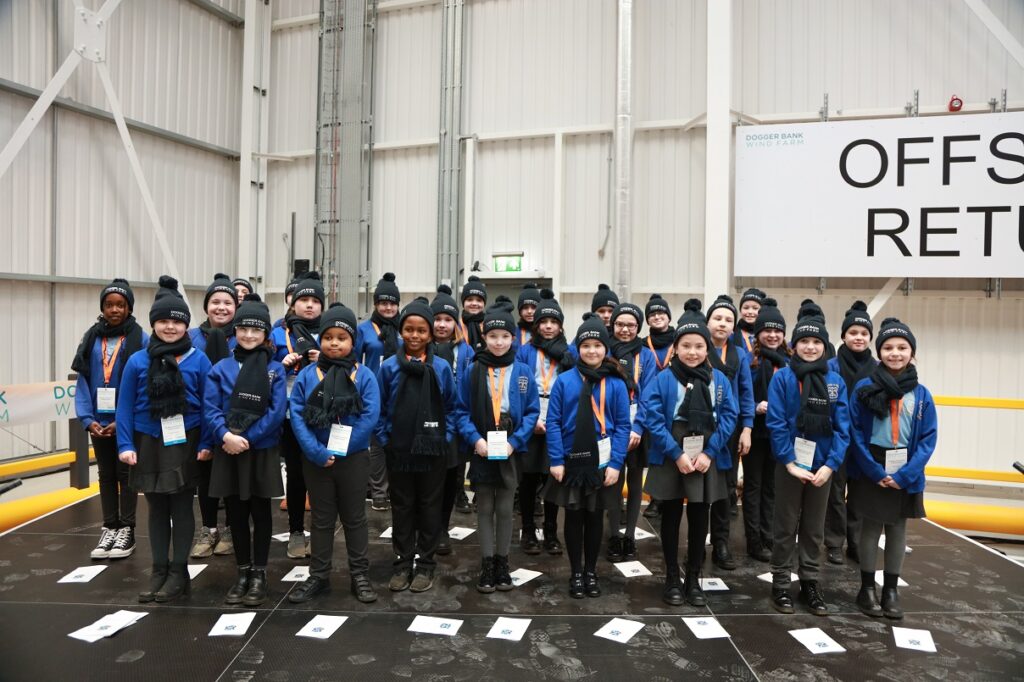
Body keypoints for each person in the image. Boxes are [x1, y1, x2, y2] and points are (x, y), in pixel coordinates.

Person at [117, 276, 212, 603]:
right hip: (148, 441)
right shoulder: (137, 361)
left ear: (186, 325)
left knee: (182, 506)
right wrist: (126, 445)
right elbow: (125, 406)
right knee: (156, 507)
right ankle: (159, 570)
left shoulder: (199, 359)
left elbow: (210, 403)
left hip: (186, 440)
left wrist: (206, 443)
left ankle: (178, 571)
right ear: (153, 323)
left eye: (176, 321)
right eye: (163, 321)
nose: (170, 327)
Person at [642, 301, 737, 606]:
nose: (693, 352)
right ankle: (672, 576)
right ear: (676, 348)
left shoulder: (719, 381)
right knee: (670, 516)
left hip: (706, 455)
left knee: (699, 517)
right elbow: (652, 417)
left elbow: (729, 417)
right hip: (672, 453)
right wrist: (675, 453)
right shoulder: (663, 379)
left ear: (707, 349)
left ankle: (693, 577)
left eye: (699, 346)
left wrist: (710, 452)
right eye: (686, 346)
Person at [288, 303, 382, 605]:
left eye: (341, 337)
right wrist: (316, 451)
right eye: (328, 337)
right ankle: (318, 575)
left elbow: (370, 416)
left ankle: (359, 575)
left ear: (352, 341)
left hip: (353, 459)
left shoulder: (364, 375)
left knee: (355, 519)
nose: (334, 343)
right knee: (321, 519)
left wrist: (343, 447)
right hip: (316, 460)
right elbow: (297, 415)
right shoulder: (307, 375)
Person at [849, 318, 936, 620]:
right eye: (888, 347)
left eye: (902, 347)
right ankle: (867, 588)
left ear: (912, 353)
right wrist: (874, 471)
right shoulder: (864, 388)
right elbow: (855, 432)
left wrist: (905, 475)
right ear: (879, 351)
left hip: (906, 469)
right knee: (871, 527)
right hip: (872, 464)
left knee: (898, 529)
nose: (895, 353)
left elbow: (927, 439)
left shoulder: (922, 394)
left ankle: (890, 590)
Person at [204, 294, 287, 606]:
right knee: (236, 515)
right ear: (235, 330)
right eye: (243, 329)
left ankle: (260, 573)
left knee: (260, 513)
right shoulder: (220, 368)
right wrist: (226, 435)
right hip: (228, 449)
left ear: (266, 333)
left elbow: (277, 411)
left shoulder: (275, 369)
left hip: (259, 450)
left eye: (256, 330)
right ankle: (242, 572)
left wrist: (247, 438)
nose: (249, 335)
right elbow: (209, 409)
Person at [766, 314, 850, 616]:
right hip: (791, 464)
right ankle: (780, 580)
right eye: (804, 341)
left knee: (814, 528)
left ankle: (810, 581)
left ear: (825, 346)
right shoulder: (783, 378)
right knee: (785, 525)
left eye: (816, 342)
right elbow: (775, 423)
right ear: (794, 345)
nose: (810, 347)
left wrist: (830, 465)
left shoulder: (835, 381)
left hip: (822, 467)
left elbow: (843, 429)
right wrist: (788, 462)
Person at [455, 302, 540, 592]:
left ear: (513, 338)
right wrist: (475, 440)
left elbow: (531, 412)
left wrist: (516, 443)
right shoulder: (473, 370)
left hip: (510, 450)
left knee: (505, 507)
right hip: (482, 447)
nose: (499, 342)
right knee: (484, 506)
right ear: (485, 338)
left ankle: (503, 562)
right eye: (493, 337)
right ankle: (487, 562)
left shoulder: (524, 372)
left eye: (505, 336)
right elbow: (461, 411)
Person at [544, 314, 628, 599]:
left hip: (603, 462)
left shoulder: (615, 384)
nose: (592, 350)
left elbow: (623, 425)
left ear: (606, 348)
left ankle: (592, 571)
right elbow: (553, 421)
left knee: (595, 518)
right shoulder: (565, 381)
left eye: (597, 345)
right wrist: (555, 459)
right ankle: (576, 571)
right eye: (586, 345)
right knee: (574, 516)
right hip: (570, 461)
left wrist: (616, 463)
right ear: (577, 348)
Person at [376, 298, 458, 593]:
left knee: (430, 506)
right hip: (399, 450)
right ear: (401, 332)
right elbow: (380, 407)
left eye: (421, 331)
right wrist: (386, 439)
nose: (414, 336)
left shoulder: (442, 367)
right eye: (408, 329)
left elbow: (452, 407)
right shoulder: (388, 368)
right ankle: (402, 562)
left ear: (431, 334)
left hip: (433, 451)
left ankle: (425, 564)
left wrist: (443, 439)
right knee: (402, 506)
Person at [72, 278, 147, 560]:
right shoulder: (92, 337)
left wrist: (123, 419)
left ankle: (126, 528)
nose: (114, 310)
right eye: (109, 304)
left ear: (129, 308)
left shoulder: (140, 339)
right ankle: (109, 526)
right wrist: (87, 418)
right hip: (98, 422)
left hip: (126, 420)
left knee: (126, 473)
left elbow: (143, 384)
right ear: (102, 307)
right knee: (105, 474)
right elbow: (84, 380)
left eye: (120, 305)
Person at [515, 290, 574, 556]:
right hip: (530, 416)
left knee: (554, 476)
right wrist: (533, 419)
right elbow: (518, 387)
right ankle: (528, 530)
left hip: (558, 418)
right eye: (543, 321)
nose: (548, 326)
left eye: (554, 321)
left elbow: (574, 388)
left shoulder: (570, 352)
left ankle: (551, 532)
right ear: (536, 324)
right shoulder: (525, 351)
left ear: (560, 324)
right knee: (528, 480)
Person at [270, 272, 325, 559]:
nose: (309, 305)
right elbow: (264, 369)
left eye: (315, 300)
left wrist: (325, 360)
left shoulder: (329, 331)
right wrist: (282, 363)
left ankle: (319, 532)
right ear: (293, 303)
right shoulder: (279, 333)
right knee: (295, 475)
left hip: (321, 414)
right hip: (291, 414)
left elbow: (348, 364)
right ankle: (295, 531)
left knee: (319, 474)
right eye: (304, 299)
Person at [705, 295, 756, 571]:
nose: (722, 323)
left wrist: (747, 428)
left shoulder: (739, 355)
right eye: (718, 318)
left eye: (728, 320)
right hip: (700, 428)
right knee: (700, 486)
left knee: (725, 488)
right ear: (708, 321)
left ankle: (721, 543)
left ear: (733, 327)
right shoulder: (697, 349)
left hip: (730, 429)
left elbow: (746, 394)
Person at [189, 273, 238, 559]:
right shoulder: (191, 337)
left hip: (232, 422)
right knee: (205, 479)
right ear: (207, 305)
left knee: (230, 478)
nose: (221, 307)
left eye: (228, 302)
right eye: (215, 301)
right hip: (200, 419)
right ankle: (209, 529)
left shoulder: (243, 336)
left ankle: (231, 528)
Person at [824, 301, 875, 565]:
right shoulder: (830, 366)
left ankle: (856, 542)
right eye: (853, 332)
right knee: (835, 490)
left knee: (859, 493)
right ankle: (833, 541)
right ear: (843, 336)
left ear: (870, 338)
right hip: (837, 438)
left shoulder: (878, 370)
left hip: (865, 442)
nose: (858, 337)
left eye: (864, 333)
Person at [605, 302, 657, 563]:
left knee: (635, 482)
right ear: (612, 325)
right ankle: (613, 534)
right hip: (610, 427)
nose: (625, 329)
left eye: (631, 325)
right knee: (613, 481)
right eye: (620, 324)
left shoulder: (645, 355)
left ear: (639, 327)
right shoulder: (605, 352)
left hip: (638, 429)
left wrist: (638, 428)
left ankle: (629, 536)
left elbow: (649, 394)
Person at [742, 297, 789, 562]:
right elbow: (742, 394)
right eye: (767, 330)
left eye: (777, 330)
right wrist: (755, 407)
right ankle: (754, 540)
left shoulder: (790, 360)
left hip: (780, 436)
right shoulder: (750, 361)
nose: (772, 335)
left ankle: (769, 534)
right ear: (758, 333)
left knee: (773, 487)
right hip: (756, 433)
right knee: (753, 486)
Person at [431, 284, 475, 555]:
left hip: (455, 423)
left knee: (450, 479)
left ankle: (442, 528)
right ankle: (425, 528)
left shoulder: (466, 352)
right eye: (437, 318)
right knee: (427, 482)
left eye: (448, 319)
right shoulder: (420, 347)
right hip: (426, 422)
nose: (442, 324)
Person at [356, 272, 402, 513]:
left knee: (396, 441)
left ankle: (396, 488)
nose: (388, 307)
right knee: (376, 445)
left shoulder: (404, 327)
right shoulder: (363, 329)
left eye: (393, 303)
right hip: (372, 393)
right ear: (375, 304)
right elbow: (354, 362)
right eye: (383, 302)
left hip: (400, 392)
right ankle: (378, 491)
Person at [732, 288, 765, 353]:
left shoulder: (768, 334)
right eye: (746, 308)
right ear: (740, 310)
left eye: (755, 308)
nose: (750, 311)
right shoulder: (731, 333)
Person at [460, 276, 488, 351]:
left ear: (484, 304)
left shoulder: (490, 323)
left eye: (479, 300)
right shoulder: (456, 325)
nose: (474, 303)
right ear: (463, 302)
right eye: (469, 299)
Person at [512, 282, 540, 354]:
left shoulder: (547, 332)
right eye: (525, 307)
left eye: (534, 307)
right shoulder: (512, 332)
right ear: (520, 311)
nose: (529, 311)